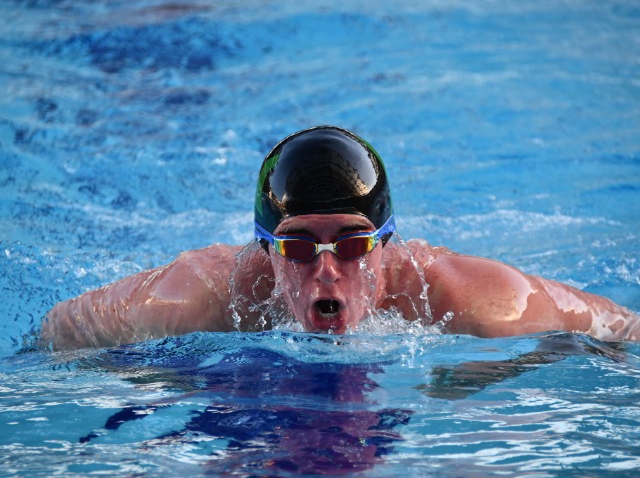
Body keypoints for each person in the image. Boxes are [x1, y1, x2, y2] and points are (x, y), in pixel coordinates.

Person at [40, 126, 640, 350]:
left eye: (352, 244)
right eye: (299, 247)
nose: (326, 271)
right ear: (266, 250)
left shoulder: (480, 303)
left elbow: (621, 326)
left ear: (386, 244)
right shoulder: (198, 296)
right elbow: (59, 330)